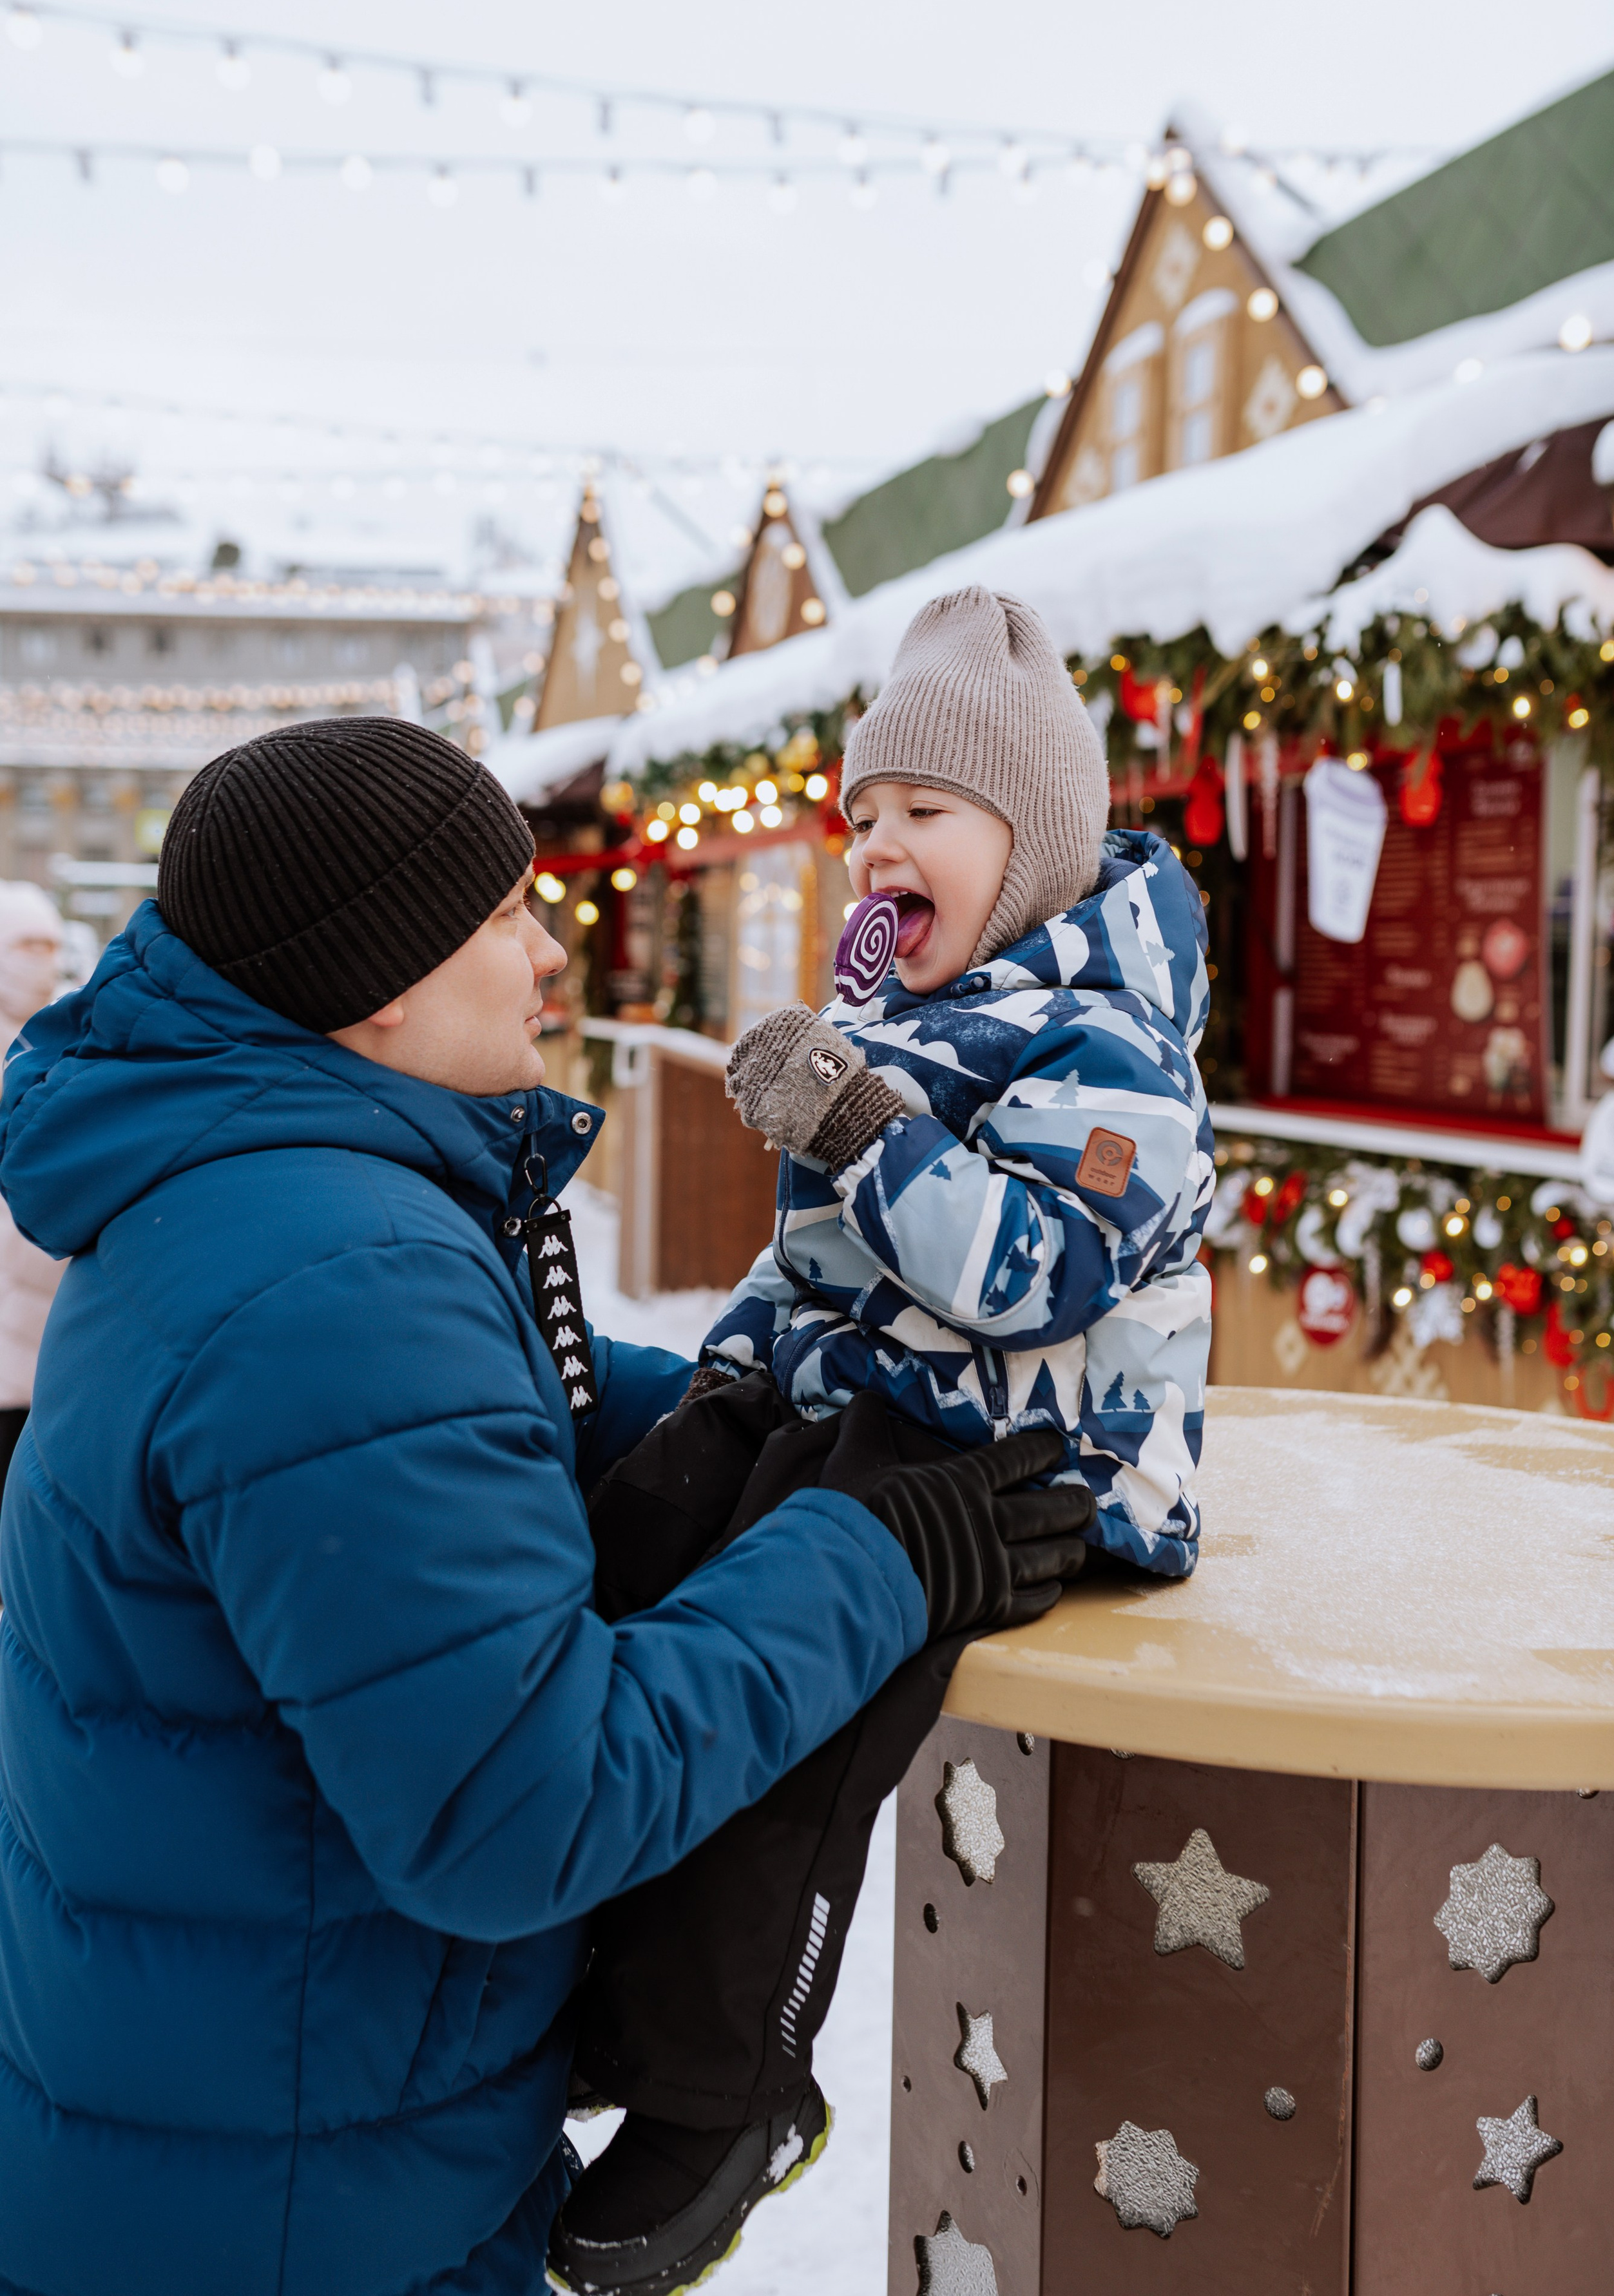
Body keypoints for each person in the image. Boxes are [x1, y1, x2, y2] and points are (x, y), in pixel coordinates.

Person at [0, 716, 1088, 2296]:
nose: (549, 943)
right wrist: (875, 1554)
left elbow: (476, 1430)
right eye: (507, 909)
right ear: (381, 976)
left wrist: (758, 1400)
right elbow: (520, 1804)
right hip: (305, 2218)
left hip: (227, 2139)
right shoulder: (337, 1280)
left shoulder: (260, 1185)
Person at [549, 586, 1212, 2295]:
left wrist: (856, 1124)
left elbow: (1031, 1272)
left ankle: (734, 2080)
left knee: (805, 1704)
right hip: (890, 1412)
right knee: (650, 1531)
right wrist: (734, 1382)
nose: (874, 847)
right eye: (862, 816)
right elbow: (821, 1262)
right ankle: (596, 1994)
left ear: (1038, 840)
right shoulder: (922, 1024)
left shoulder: (1109, 1045)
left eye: (924, 812)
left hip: (1034, 1459)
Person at [0, 880, 68, 1523]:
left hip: (47, 1333)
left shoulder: (65, 1044)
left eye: (50, 944)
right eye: (26, 943)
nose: (40, 959)